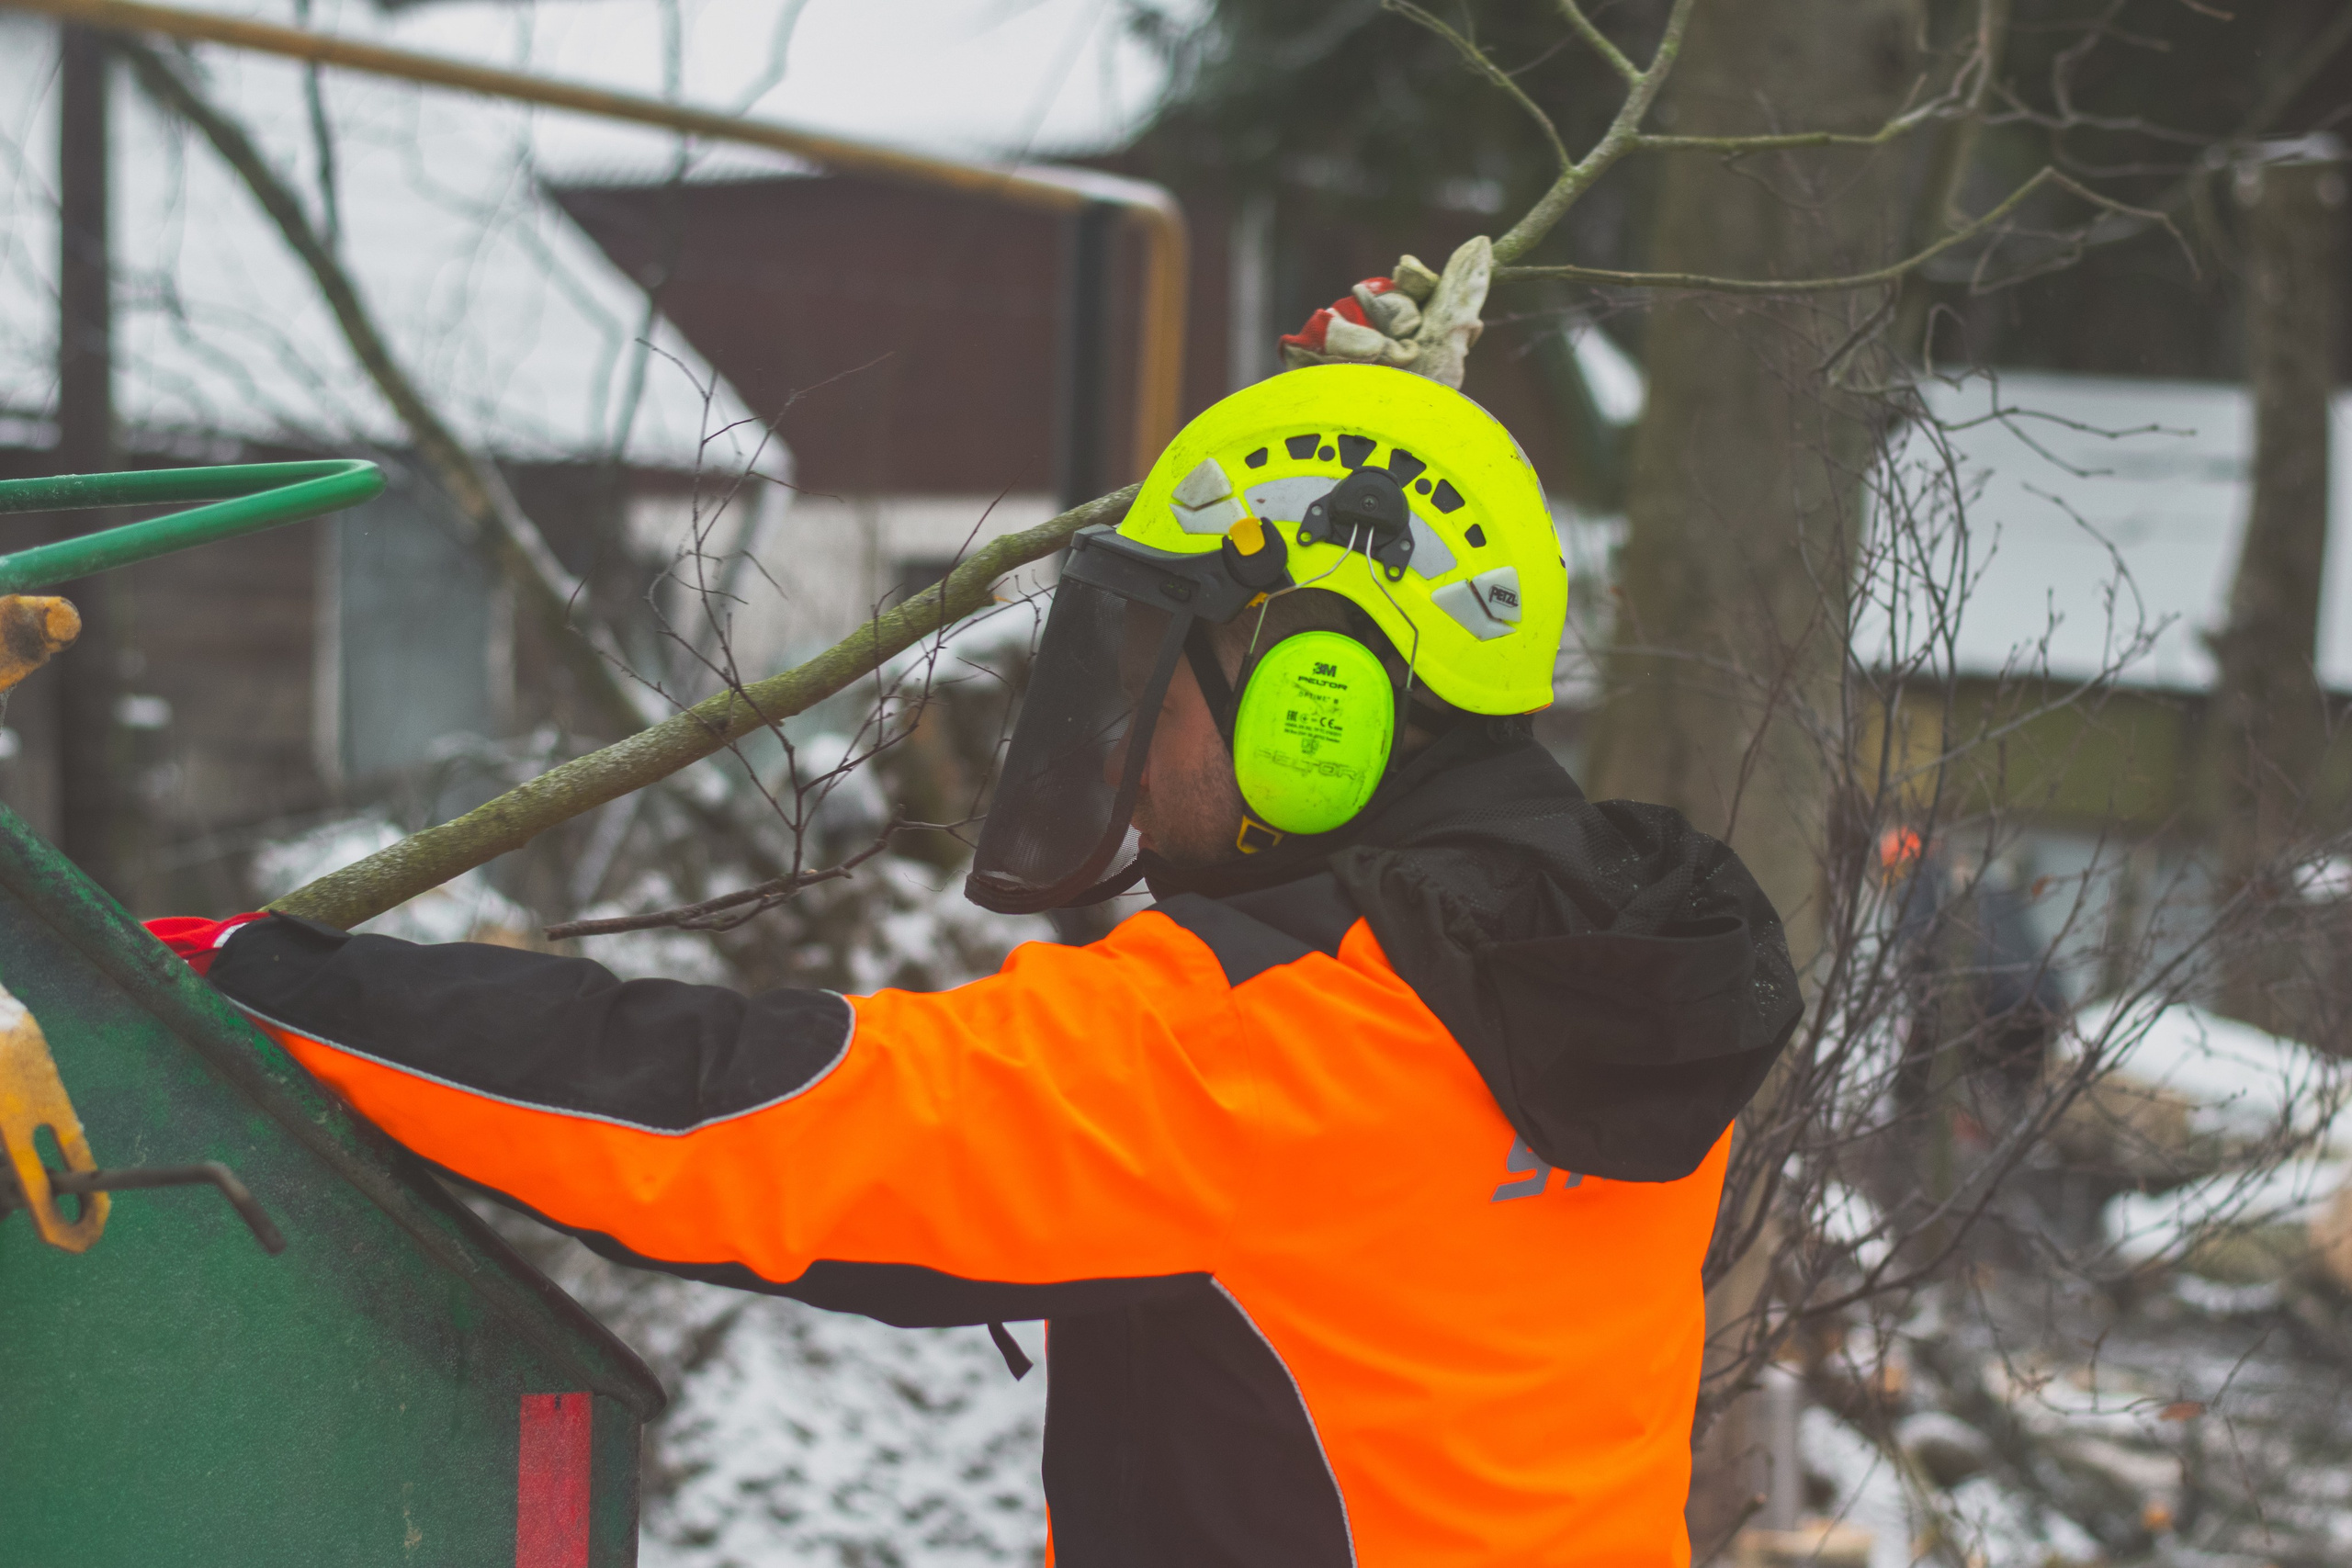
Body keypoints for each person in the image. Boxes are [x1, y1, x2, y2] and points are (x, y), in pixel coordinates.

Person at [153, 361, 1801, 1564]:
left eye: (1156, 698)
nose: (1136, 773)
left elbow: (749, 1120)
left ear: (1321, 705)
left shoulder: (1286, 1048)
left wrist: (271, 981)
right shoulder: (1607, 957)